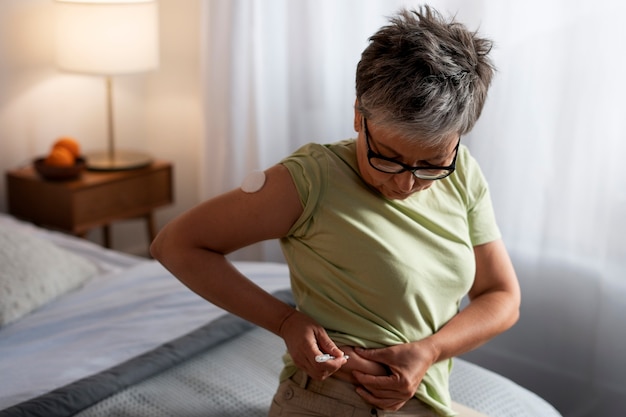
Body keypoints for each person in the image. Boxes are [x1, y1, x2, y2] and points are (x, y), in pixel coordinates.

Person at [150, 5, 520, 417]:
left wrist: (429, 350)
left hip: (426, 397)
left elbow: (502, 296)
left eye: (431, 164)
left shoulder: (463, 174)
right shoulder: (312, 180)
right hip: (330, 397)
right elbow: (177, 244)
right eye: (390, 157)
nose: (405, 182)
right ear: (359, 115)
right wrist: (286, 323)